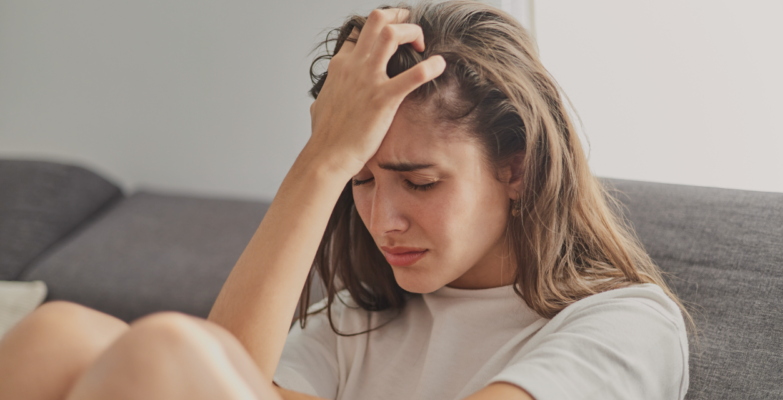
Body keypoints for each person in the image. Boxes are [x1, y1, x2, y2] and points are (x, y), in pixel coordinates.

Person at [0, 1, 691, 399]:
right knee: (60, 333)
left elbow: (190, 372)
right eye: (360, 181)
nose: (383, 220)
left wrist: (332, 158)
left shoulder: (625, 323)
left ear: (518, 167)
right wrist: (321, 162)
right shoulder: (357, 320)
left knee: (165, 347)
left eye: (420, 182)